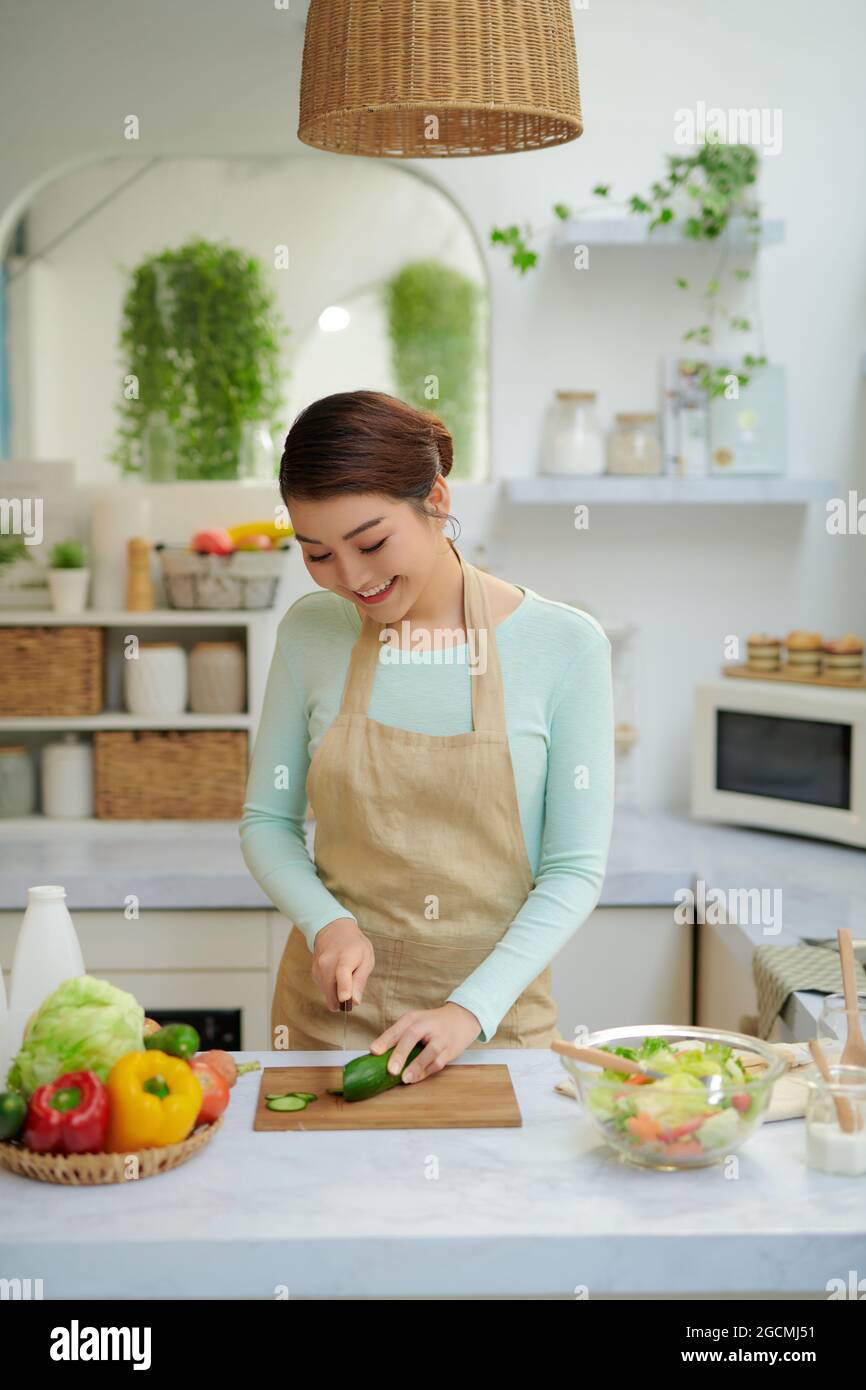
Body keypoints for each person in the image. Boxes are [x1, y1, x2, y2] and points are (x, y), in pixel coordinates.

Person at [240, 389, 615, 1087]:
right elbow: (267, 821)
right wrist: (329, 925)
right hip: (328, 1036)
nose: (353, 580)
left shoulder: (565, 645)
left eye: (372, 543)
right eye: (317, 553)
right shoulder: (310, 632)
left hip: (498, 1034)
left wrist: (466, 1010)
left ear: (437, 499)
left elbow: (573, 870)